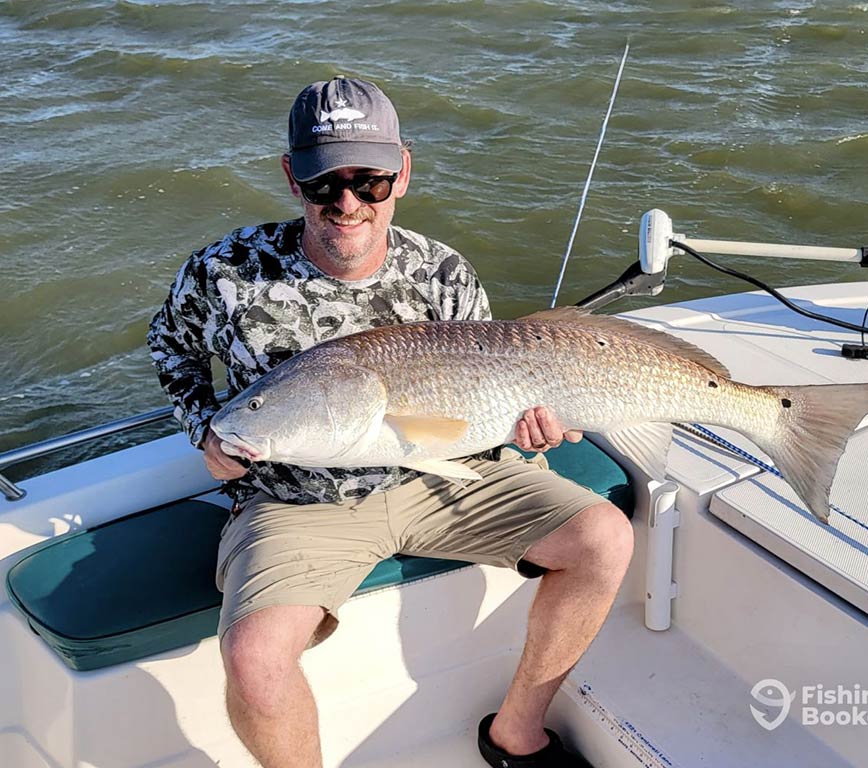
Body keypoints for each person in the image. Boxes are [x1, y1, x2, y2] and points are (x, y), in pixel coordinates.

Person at [147, 76, 633, 768]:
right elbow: (170, 343)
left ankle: (515, 734)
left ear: (401, 173)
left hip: (447, 475)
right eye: (324, 184)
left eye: (368, 181)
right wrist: (205, 426)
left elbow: (497, 394)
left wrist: (534, 427)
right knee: (253, 658)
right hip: (297, 499)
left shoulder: (443, 274)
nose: (347, 204)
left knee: (603, 540)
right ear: (292, 178)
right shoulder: (226, 273)